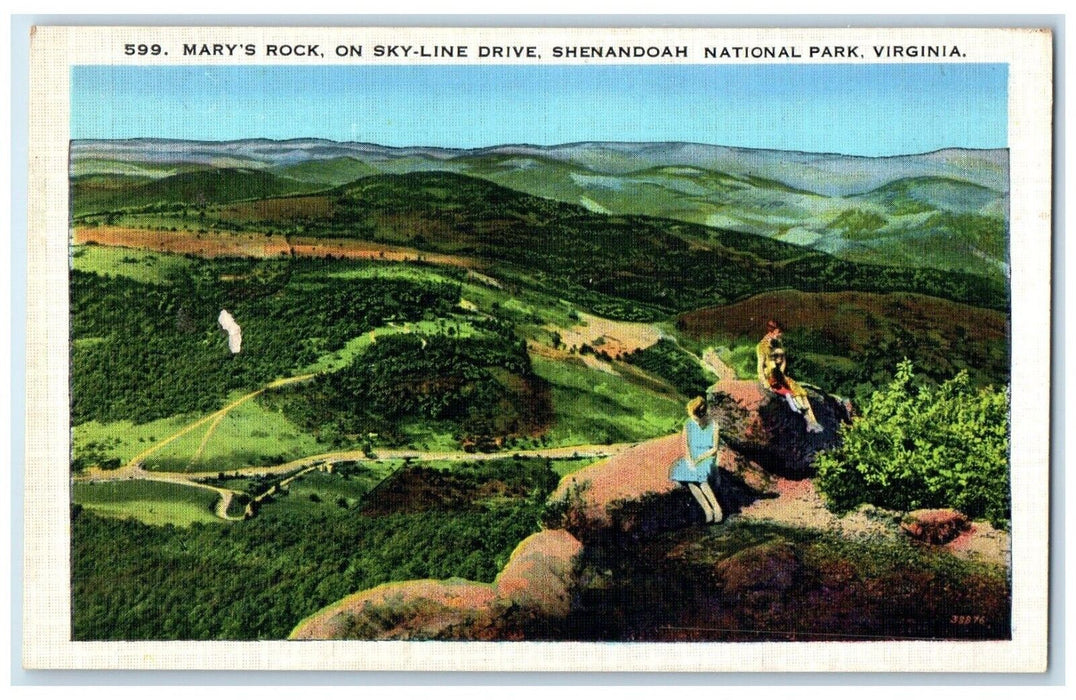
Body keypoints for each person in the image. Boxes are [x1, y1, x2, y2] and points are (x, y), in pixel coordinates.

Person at [757, 321, 824, 433]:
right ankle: (807, 420)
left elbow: (783, 362)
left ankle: (813, 421)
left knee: (801, 392)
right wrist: (765, 381)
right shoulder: (762, 346)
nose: (780, 335)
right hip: (770, 376)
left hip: (779, 375)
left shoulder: (778, 344)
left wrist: (781, 374)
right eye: (779, 332)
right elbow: (760, 366)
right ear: (772, 331)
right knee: (792, 394)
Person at [669, 396, 723, 523]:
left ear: (702, 414)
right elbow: (686, 445)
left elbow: (714, 449)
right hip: (692, 456)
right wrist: (690, 460)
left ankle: (717, 508)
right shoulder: (688, 424)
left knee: (701, 478)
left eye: (695, 416)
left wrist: (699, 459)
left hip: (707, 456)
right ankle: (707, 509)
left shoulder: (713, 425)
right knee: (690, 480)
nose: (694, 419)